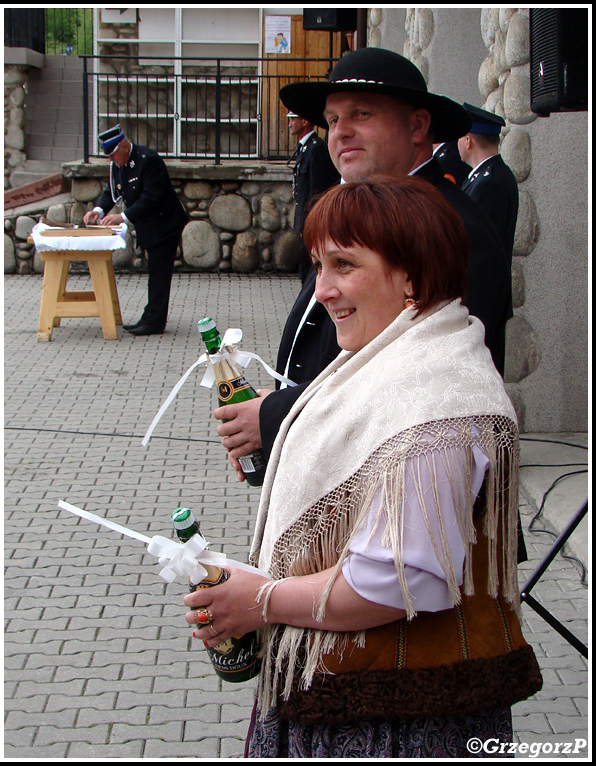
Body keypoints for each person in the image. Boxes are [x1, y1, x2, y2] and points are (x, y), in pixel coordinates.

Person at [185, 176, 542, 758]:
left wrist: (261, 599)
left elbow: (405, 580)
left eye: (344, 265)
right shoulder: (394, 360)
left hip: (392, 718)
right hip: (355, 692)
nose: (322, 290)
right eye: (318, 266)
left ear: (414, 277)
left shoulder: (435, 395)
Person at [215, 47, 512, 479]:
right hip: (337, 472)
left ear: (417, 125)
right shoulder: (354, 213)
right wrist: (274, 416)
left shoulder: (453, 229)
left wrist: (277, 415)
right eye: (333, 120)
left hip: (410, 499)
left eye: (362, 114)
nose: (340, 132)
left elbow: (419, 379)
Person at [84, 125, 189, 335]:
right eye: (111, 158)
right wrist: (98, 210)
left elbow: (151, 197)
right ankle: (148, 316)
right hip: (148, 226)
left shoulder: (148, 160)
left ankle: (155, 322)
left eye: (114, 156)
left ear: (124, 145)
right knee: (154, 274)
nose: (113, 161)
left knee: (160, 275)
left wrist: (122, 217)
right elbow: (113, 190)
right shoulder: (119, 164)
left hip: (164, 224)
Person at [458, 103, 519, 269]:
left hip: (483, 289)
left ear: (468, 141)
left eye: (460, 137)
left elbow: (478, 245)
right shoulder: (487, 175)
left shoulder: (489, 183)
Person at [287, 111, 340, 282]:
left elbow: (318, 189)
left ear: (305, 121)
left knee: (309, 263)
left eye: (293, 119)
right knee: (305, 262)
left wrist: (311, 220)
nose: (289, 123)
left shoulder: (316, 148)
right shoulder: (306, 147)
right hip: (304, 214)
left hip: (311, 216)